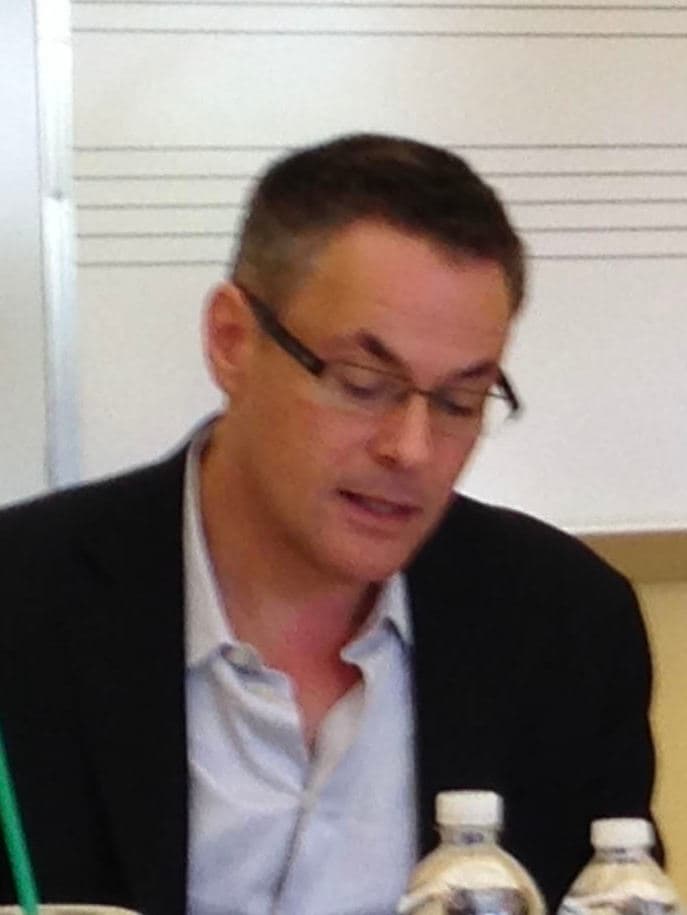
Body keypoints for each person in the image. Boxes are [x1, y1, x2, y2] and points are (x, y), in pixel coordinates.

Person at [0, 134, 659, 915]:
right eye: (362, 383)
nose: (411, 449)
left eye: (458, 401)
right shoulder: (22, 602)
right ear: (232, 340)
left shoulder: (565, 626)